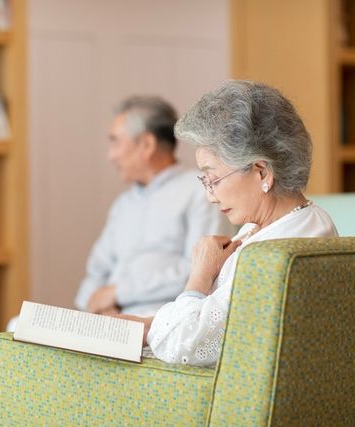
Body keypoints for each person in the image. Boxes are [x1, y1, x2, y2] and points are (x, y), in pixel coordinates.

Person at [120, 81, 338, 367]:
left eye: (214, 179)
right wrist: (149, 325)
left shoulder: (275, 253)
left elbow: (185, 346)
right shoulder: (294, 224)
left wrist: (199, 276)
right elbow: (215, 320)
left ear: (262, 172)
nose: (210, 196)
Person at [74, 96, 234, 317]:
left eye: (116, 142)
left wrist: (119, 293)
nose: (111, 155)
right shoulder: (123, 205)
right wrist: (98, 304)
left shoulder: (201, 191)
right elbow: (95, 272)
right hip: (107, 317)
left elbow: (203, 268)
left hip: (162, 317)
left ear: (147, 144)